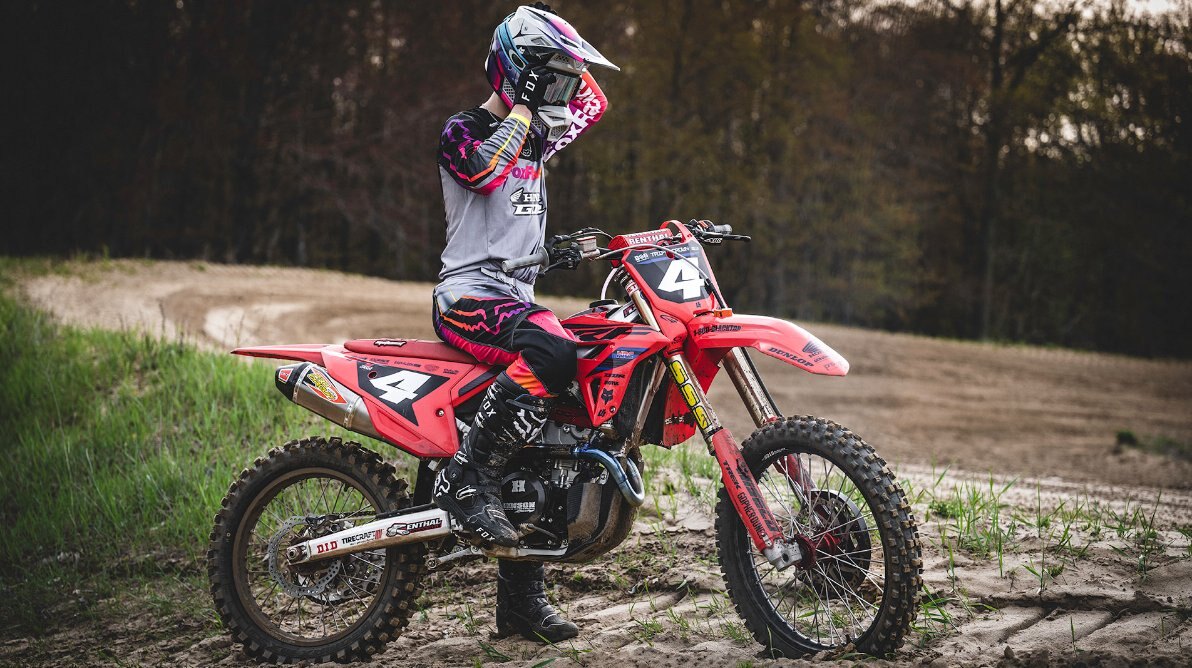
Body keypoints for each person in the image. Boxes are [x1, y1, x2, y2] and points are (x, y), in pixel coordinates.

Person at [430, 4, 617, 643]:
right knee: (554, 352)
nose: (565, 94)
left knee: (546, 437)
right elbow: (484, 172)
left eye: (566, 83)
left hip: (512, 297)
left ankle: (519, 605)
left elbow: (596, 103)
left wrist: (557, 75)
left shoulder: (535, 135)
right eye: (553, 80)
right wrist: (522, 104)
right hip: (467, 297)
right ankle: (467, 479)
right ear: (519, 73)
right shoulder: (464, 130)